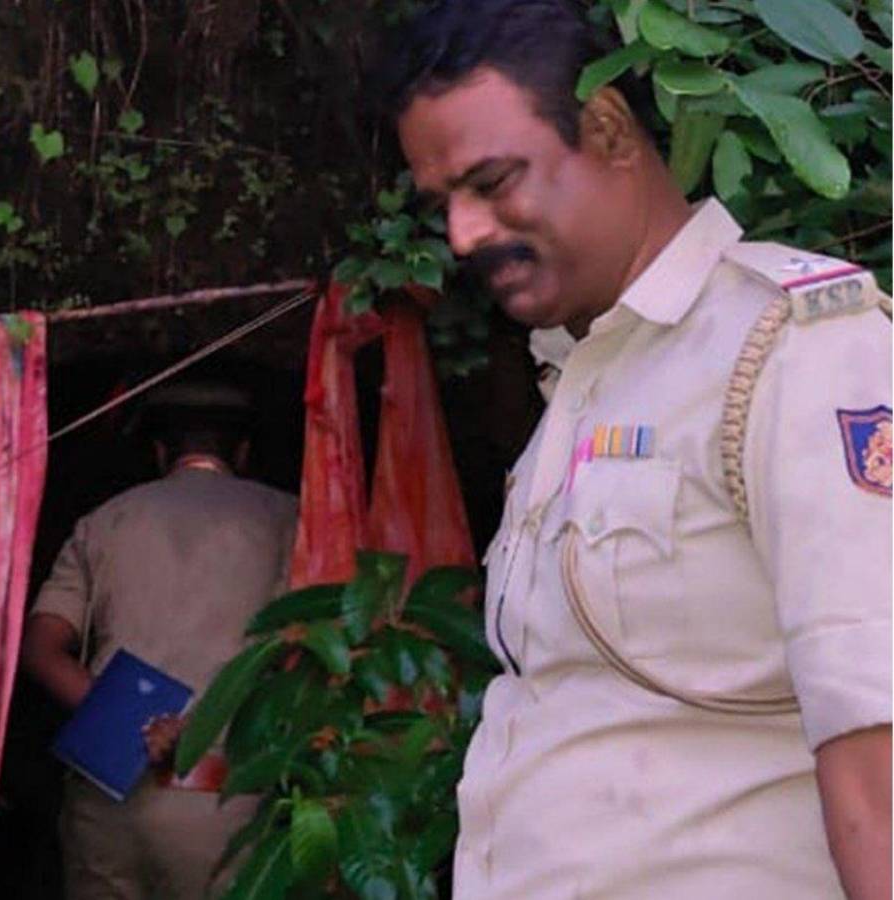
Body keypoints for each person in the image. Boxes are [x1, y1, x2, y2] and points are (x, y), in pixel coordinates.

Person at [378, 1, 891, 898]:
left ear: (608, 127)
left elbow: (879, 746)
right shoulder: (583, 384)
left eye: (493, 181)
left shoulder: (791, 347)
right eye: (444, 205)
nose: (463, 236)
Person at [21, 379, 297, 900]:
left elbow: (40, 647)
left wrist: (137, 725)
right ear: (243, 451)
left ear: (159, 452)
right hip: (227, 804)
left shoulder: (103, 521)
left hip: (107, 802)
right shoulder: (293, 519)